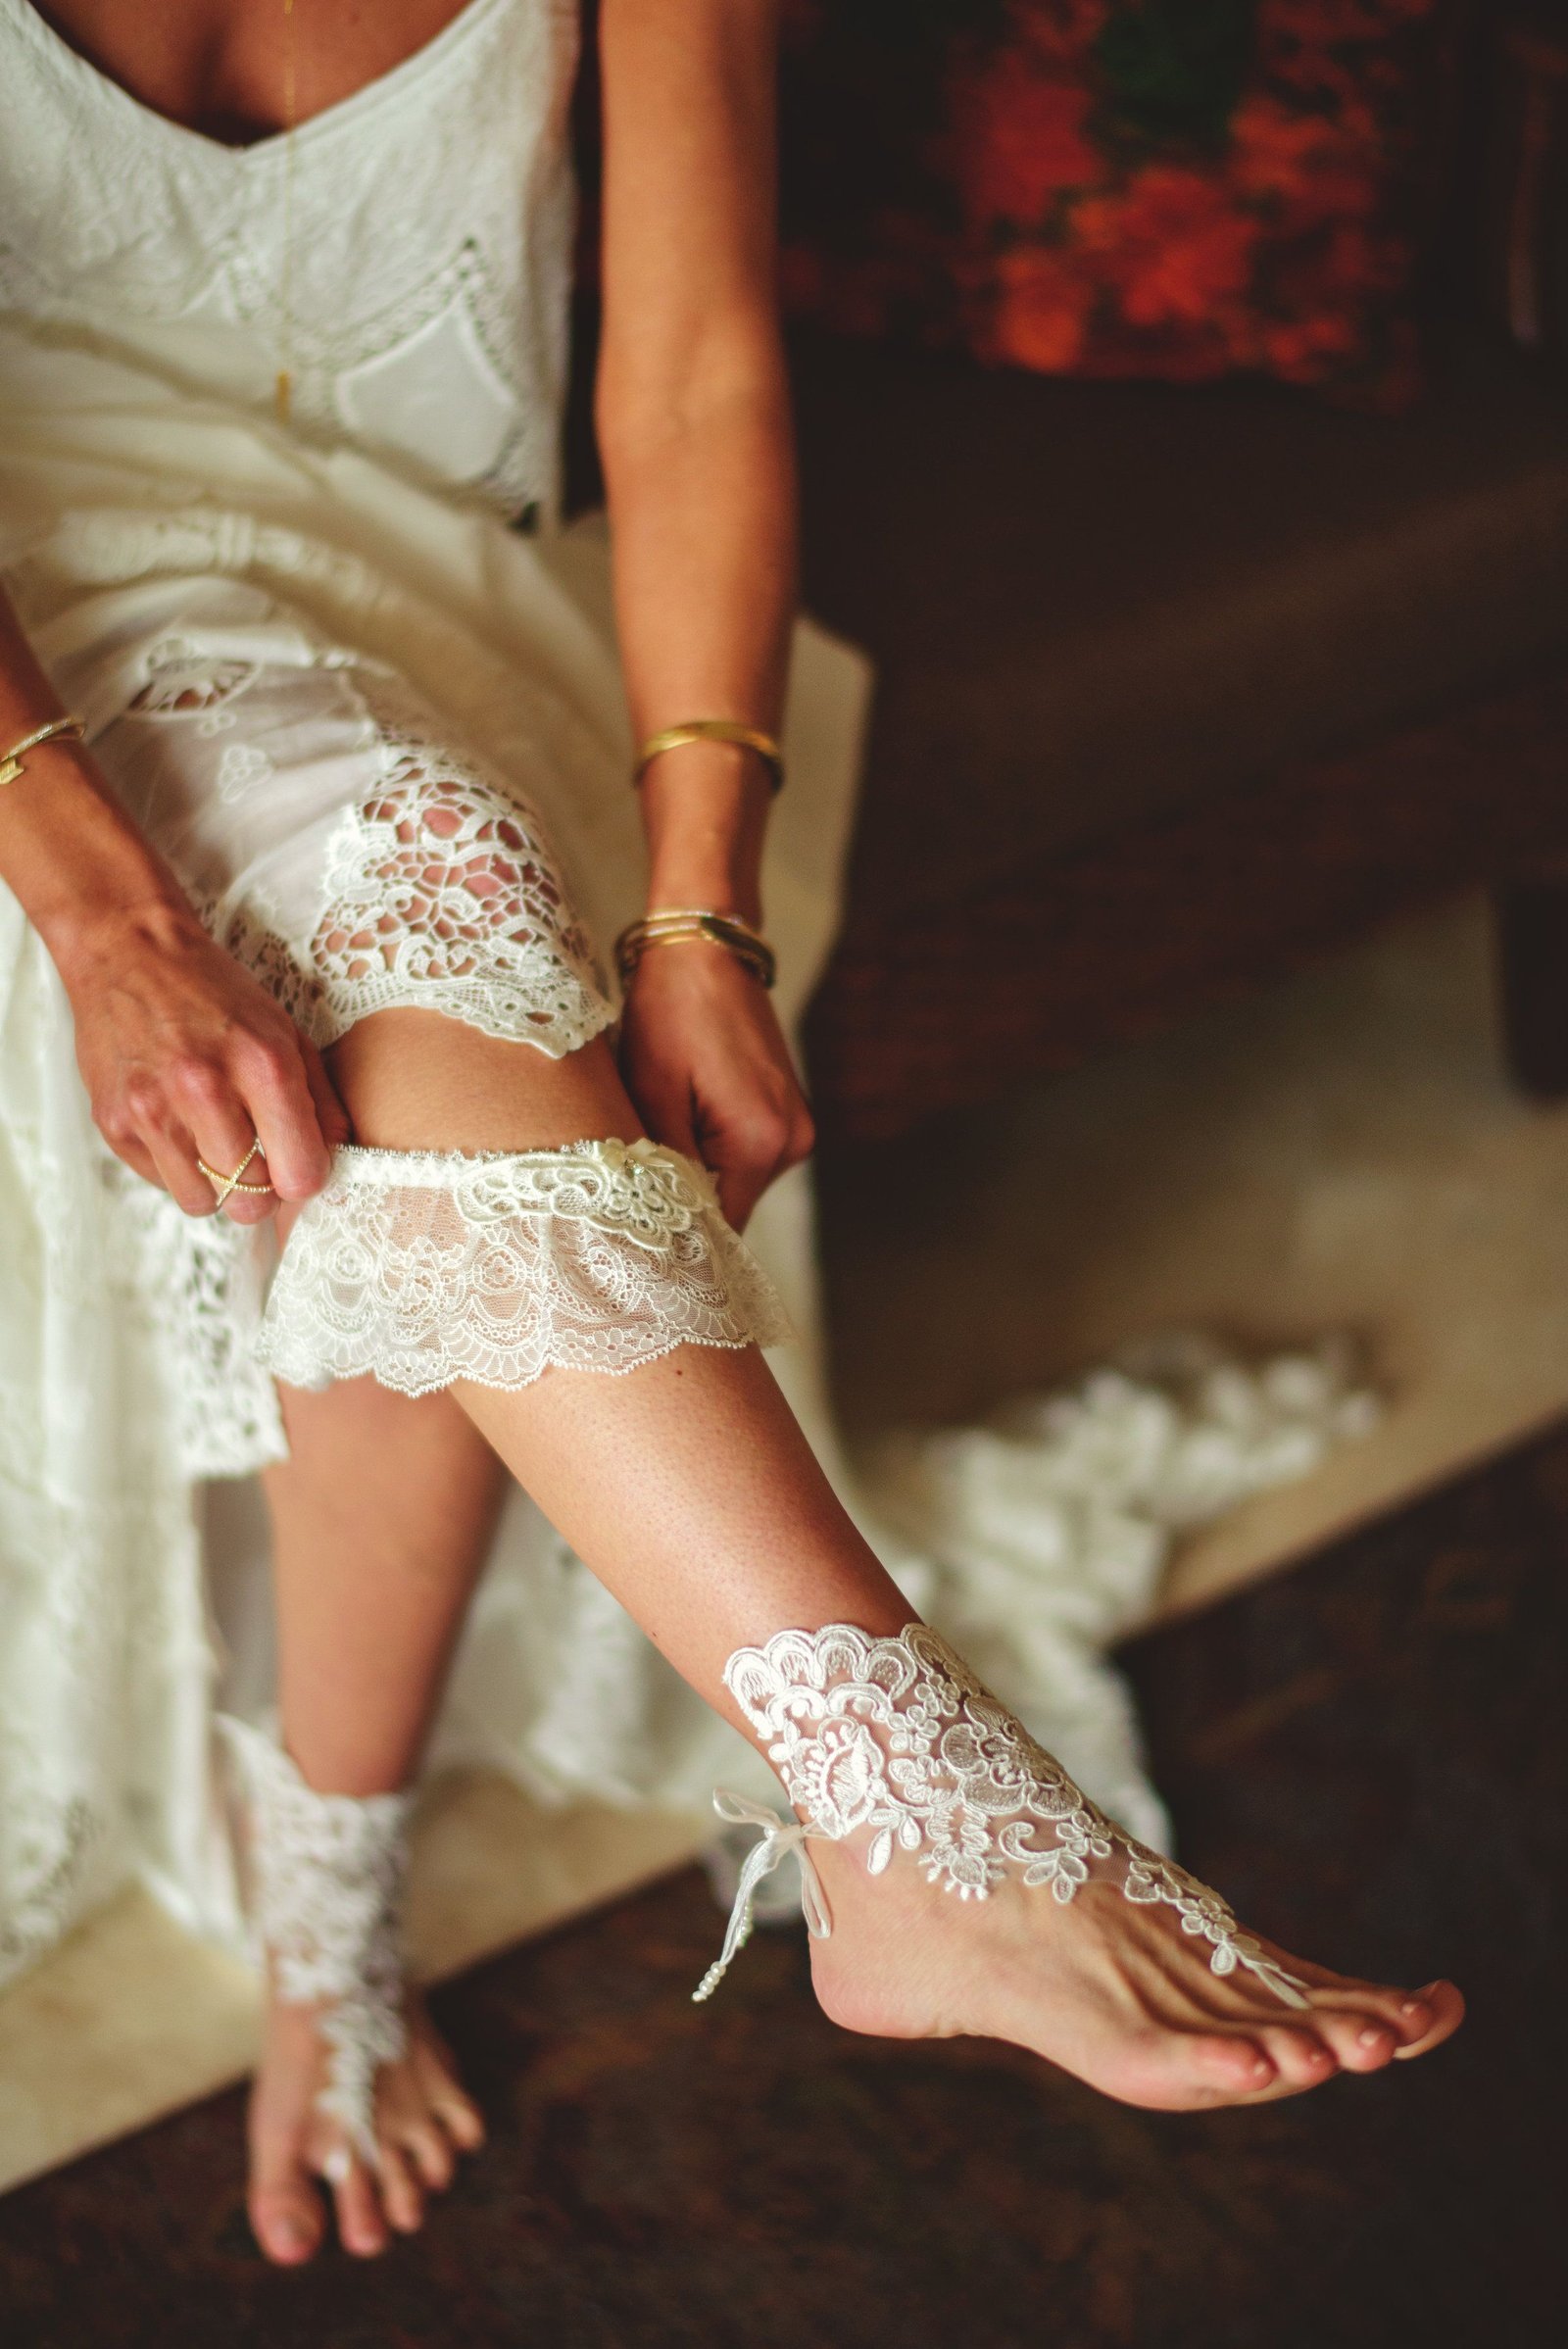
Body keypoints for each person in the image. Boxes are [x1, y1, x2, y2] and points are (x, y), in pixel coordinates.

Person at [0, 0, 1461, 2271]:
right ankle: (916, 1811)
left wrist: (704, 910)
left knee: (436, 1024)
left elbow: (684, 378)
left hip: (433, 593)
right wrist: (96, 912)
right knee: (433, 894)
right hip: (24, 661)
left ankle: (355, 1922)